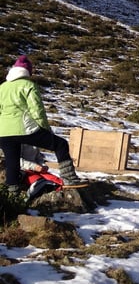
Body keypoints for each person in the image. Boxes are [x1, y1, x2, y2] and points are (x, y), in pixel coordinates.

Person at [0, 55, 85, 191]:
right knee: (60, 144)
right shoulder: (29, 85)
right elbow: (37, 110)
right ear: (28, 72)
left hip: (3, 132)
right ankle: (69, 179)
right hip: (24, 128)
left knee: (12, 162)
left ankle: (12, 192)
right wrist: (45, 129)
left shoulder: (3, 87)